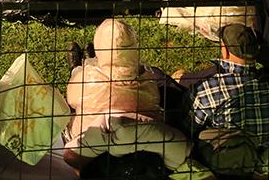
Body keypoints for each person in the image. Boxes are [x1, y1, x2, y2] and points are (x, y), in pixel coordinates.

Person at [62, 19, 193, 172]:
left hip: (88, 145)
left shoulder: (88, 78)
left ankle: (79, 65)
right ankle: (89, 60)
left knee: (76, 82)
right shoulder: (148, 78)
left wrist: (82, 75)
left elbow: (71, 99)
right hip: (145, 144)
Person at [188, 24, 269, 178]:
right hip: (264, 163)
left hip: (223, 163)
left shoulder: (210, 88)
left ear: (224, 49)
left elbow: (192, 126)